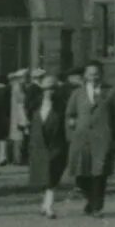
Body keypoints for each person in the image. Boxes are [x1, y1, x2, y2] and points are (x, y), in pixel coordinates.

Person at [64, 60, 115, 216]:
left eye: (97, 74)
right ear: (85, 76)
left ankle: (97, 207)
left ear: (102, 75)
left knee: (99, 174)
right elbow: (70, 115)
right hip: (82, 139)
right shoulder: (77, 94)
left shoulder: (112, 92)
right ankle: (91, 200)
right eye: (91, 74)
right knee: (81, 176)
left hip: (103, 138)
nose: (94, 77)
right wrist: (71, 134)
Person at [28, 70, 72, 217]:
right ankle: (45, 204)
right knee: (44, 177)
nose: (50, 92)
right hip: (40, 145)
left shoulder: (63, 105)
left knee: (53, 177)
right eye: (47, 88)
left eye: (53, 88)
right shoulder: (35, 104)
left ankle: (49, 206)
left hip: (57, 145)